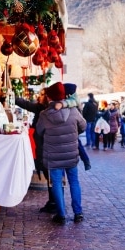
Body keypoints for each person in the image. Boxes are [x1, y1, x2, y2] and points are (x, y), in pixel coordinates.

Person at [36, 82, 86, 225]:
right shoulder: (73, 111)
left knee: (56, 184)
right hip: (71, 154)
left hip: (53, 156)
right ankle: (78, 213)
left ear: (50, 97)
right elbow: (83, 126)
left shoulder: (44, 115)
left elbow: (39, 131)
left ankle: (61, 214)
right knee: (74, 182)